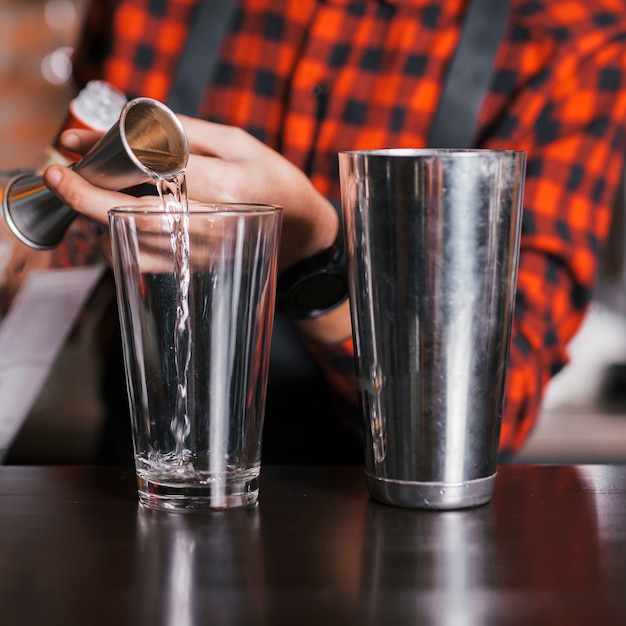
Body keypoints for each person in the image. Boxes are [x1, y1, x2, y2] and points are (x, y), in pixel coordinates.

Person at [4, 0, 626, 463]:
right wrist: (29, 258)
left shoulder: (569, 35)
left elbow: (490, 411)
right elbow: (77, 249)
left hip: (392, 543)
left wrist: (312, 252)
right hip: (141, 497)